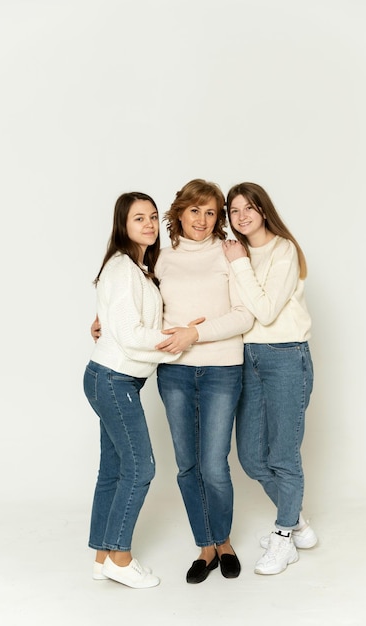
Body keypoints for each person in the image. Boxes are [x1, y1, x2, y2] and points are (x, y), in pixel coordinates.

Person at [84, 192, 198, 589]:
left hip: (115, 377)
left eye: (152, 217)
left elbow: (117, 324)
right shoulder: (121, 268)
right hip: (113, 378)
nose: (149, 224)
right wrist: (174, 341)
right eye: (138, 219)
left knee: (114, 470)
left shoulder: (136, 267)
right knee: (141, 468)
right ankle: (120, 556)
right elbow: (130, 335)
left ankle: (102, 557)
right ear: (123, 225)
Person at [154, 179, 254, 583]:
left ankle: (224, 540)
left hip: (222, 370)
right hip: (174, 371)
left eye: (211, 212)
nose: (202, 219)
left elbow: (245, 314)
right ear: (179, 213)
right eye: (195, 210)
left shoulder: (229, 253)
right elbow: (144, 308)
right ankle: (205, 547)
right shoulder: (160, 258)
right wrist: (103, 322)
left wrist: (195, 333)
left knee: (213, 465)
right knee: (186, 465)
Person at [223, 182, 317, 576]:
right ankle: (296, 522)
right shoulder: (232, 253)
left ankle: (283, 537)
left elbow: (263, 310)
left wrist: (240, 262)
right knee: (250, 457)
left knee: (282, 455)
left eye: (249, 208)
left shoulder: (283, 250)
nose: (241, 216)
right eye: (234, 210)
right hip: (247, 358)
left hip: (284, 356)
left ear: (264, 210)